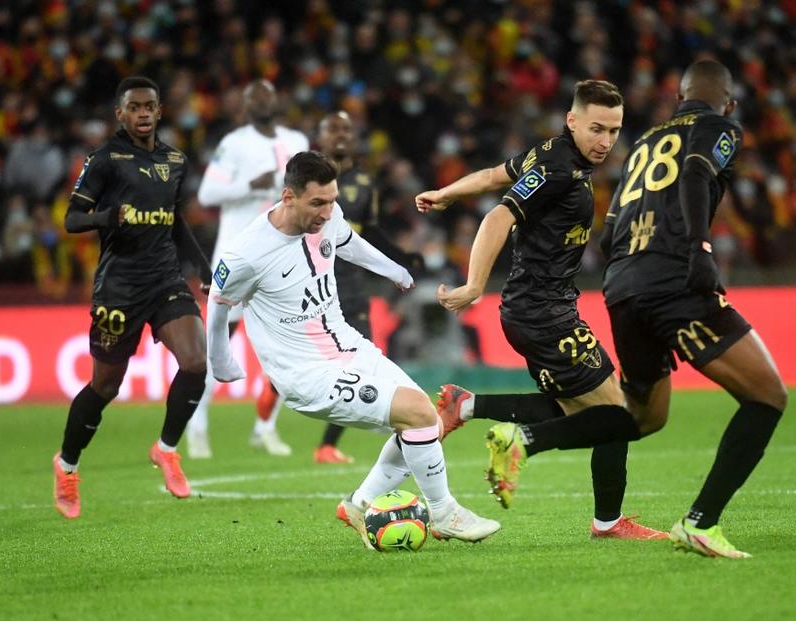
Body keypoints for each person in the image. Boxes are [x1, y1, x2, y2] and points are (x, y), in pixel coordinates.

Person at [208, 151, 500, 547]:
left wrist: (393, 269)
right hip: (306, 374)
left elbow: (349, 242)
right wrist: (220, 358)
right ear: (288, 196)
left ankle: (359, 504)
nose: (327, 212)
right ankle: (444, 512)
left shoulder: (327, 216)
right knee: (417, 413)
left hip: (348, 345)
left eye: (332, 200)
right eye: (318, 203)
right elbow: (218, 303)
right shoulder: (246, 254)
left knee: (427, 421)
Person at [416, 80, 666, 541]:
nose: (606, 141)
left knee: (579, 409)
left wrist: (448, 192)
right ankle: (603, 518)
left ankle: (467, 405)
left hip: (540, 309)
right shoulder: (557, 168)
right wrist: (475, 284)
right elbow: (498, 215)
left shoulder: (552, 154)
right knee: (619, 416)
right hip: (543, 313)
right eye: (596, 128)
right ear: (572, 120)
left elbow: (494, 175)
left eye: (614, 131)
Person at [600, 59, 787, 558]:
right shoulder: (720, 127)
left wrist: (633, 272)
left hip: (622, 287)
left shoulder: (642, 143)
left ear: (680, 97)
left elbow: (608, 233)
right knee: (768, 396)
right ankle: (701, 522)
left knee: (640, 417)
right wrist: (700, 247)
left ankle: (528, 435)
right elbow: (697, 173)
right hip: (675, 282)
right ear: (729, 102)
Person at [52, 76, 212, 519]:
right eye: (134, 107)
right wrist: (107, 217)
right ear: (120, 114)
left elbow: (174, 220)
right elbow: (72, 219)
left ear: (159, 111)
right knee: (105, 386)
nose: (143, 113)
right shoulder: (105, 159)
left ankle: (167, 449)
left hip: (165, 279)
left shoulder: (175, 159)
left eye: (149, 106)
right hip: (119, 287)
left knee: (196, 361)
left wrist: (202, 267)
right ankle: (67, 465)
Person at [187, 79, 309, 459]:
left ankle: (265, 427)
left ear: (277, 100)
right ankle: (197, 427)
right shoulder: (234, 144)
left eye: (267, 95)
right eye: (254, 97)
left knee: (289, 349)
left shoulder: (296, 141)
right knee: (217, 344)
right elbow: (207, 194)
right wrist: (248, 185)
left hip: (283, 259)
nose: (262, 101)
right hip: (237, 257)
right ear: (245, 105)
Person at [312, 110, 423, 464]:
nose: (341, 135)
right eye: (333, 129)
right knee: (311, 360)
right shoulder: (306, 175)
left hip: (351, 283)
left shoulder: (363, 181)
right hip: (313, 282)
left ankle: (327, 445)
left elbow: (369, 231)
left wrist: (400, 257)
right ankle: (268, 411)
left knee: (361, 358)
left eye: (346, 130)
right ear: (320, 136)